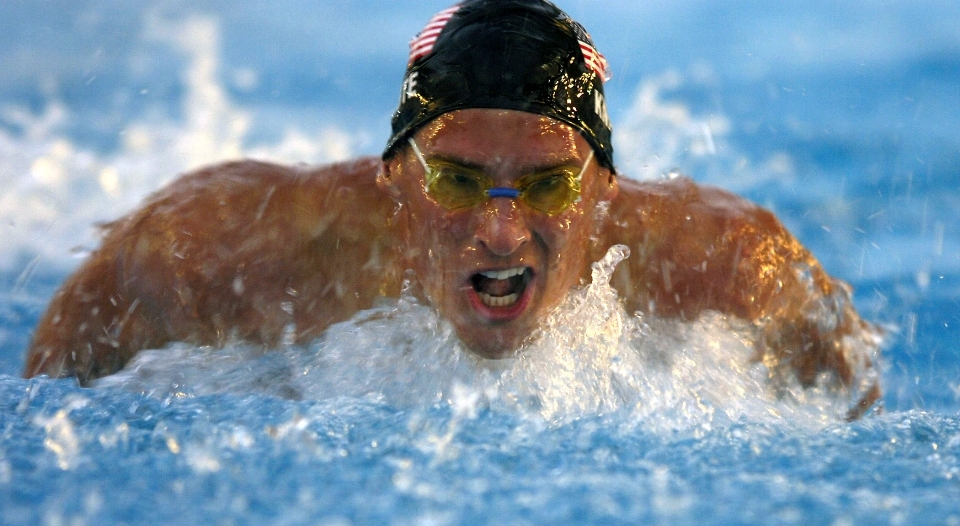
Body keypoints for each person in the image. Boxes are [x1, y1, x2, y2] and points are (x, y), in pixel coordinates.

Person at [24, 0, 882, 418]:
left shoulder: (730, 265)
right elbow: (42, 400)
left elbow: (851, 403)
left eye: (547, 184)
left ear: (603, 188)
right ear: (395, 177)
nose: (500, 231)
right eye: (457, 180)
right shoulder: (221, 250)